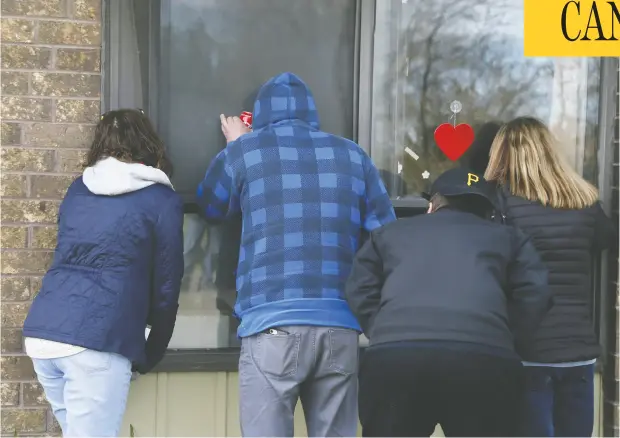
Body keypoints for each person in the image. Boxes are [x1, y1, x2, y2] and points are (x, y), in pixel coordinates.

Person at [196, 72, 396, 437]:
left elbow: (210, 206)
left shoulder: (246, 150)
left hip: (271, 324)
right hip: (339, 323)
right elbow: (387, 233)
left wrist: (235, 146)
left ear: (260, 114)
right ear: (311, 112)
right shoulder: (353, 155)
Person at [345, 167, 553, 437]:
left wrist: (383, 330)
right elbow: (536, 292)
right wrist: (503, 336)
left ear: (432, 205)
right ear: (487, 212)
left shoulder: (390, 234)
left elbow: (359, 287)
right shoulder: (509, 238)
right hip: (483, 361)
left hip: (397, 359)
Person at [22, 109, 185, 437]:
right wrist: (149, 354)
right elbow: (167, 288)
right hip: (96, 341)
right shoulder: (161, 199)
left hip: (45, 336)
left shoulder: (77, 190)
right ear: (149, 145)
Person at [484, 116, 617, 437]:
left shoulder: (502, 205)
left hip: (527, 353)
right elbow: (607, 240)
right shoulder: (585, 203)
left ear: (504, 155)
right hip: (578, 355)